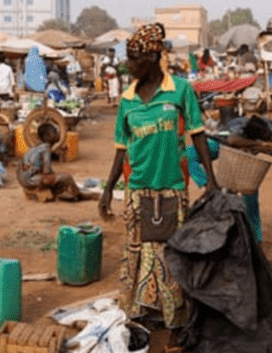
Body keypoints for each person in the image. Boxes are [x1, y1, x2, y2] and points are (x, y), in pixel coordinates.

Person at [99, 23, 217, 334]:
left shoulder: (179, 90)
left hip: (172, 190)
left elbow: (199, 136)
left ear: (151, 57)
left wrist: (211, 180)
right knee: (137, 255)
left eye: (133, 58)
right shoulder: (126, 99)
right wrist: (108, 188)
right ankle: (140, 312)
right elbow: (121, 149)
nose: (128, 64)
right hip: (137, 190)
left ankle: (176, 322)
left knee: (170, 257)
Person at [17, 123, 83, 201]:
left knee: (55, 177)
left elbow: (38, 166)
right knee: (66, 177)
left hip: (22, 180)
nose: (57, 134)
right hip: (31, 180)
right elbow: (46, 171)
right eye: (55, 132)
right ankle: (77, 195)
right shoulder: (45, 149)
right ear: (49, 135)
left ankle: (36, 191)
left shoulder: (35, 147)